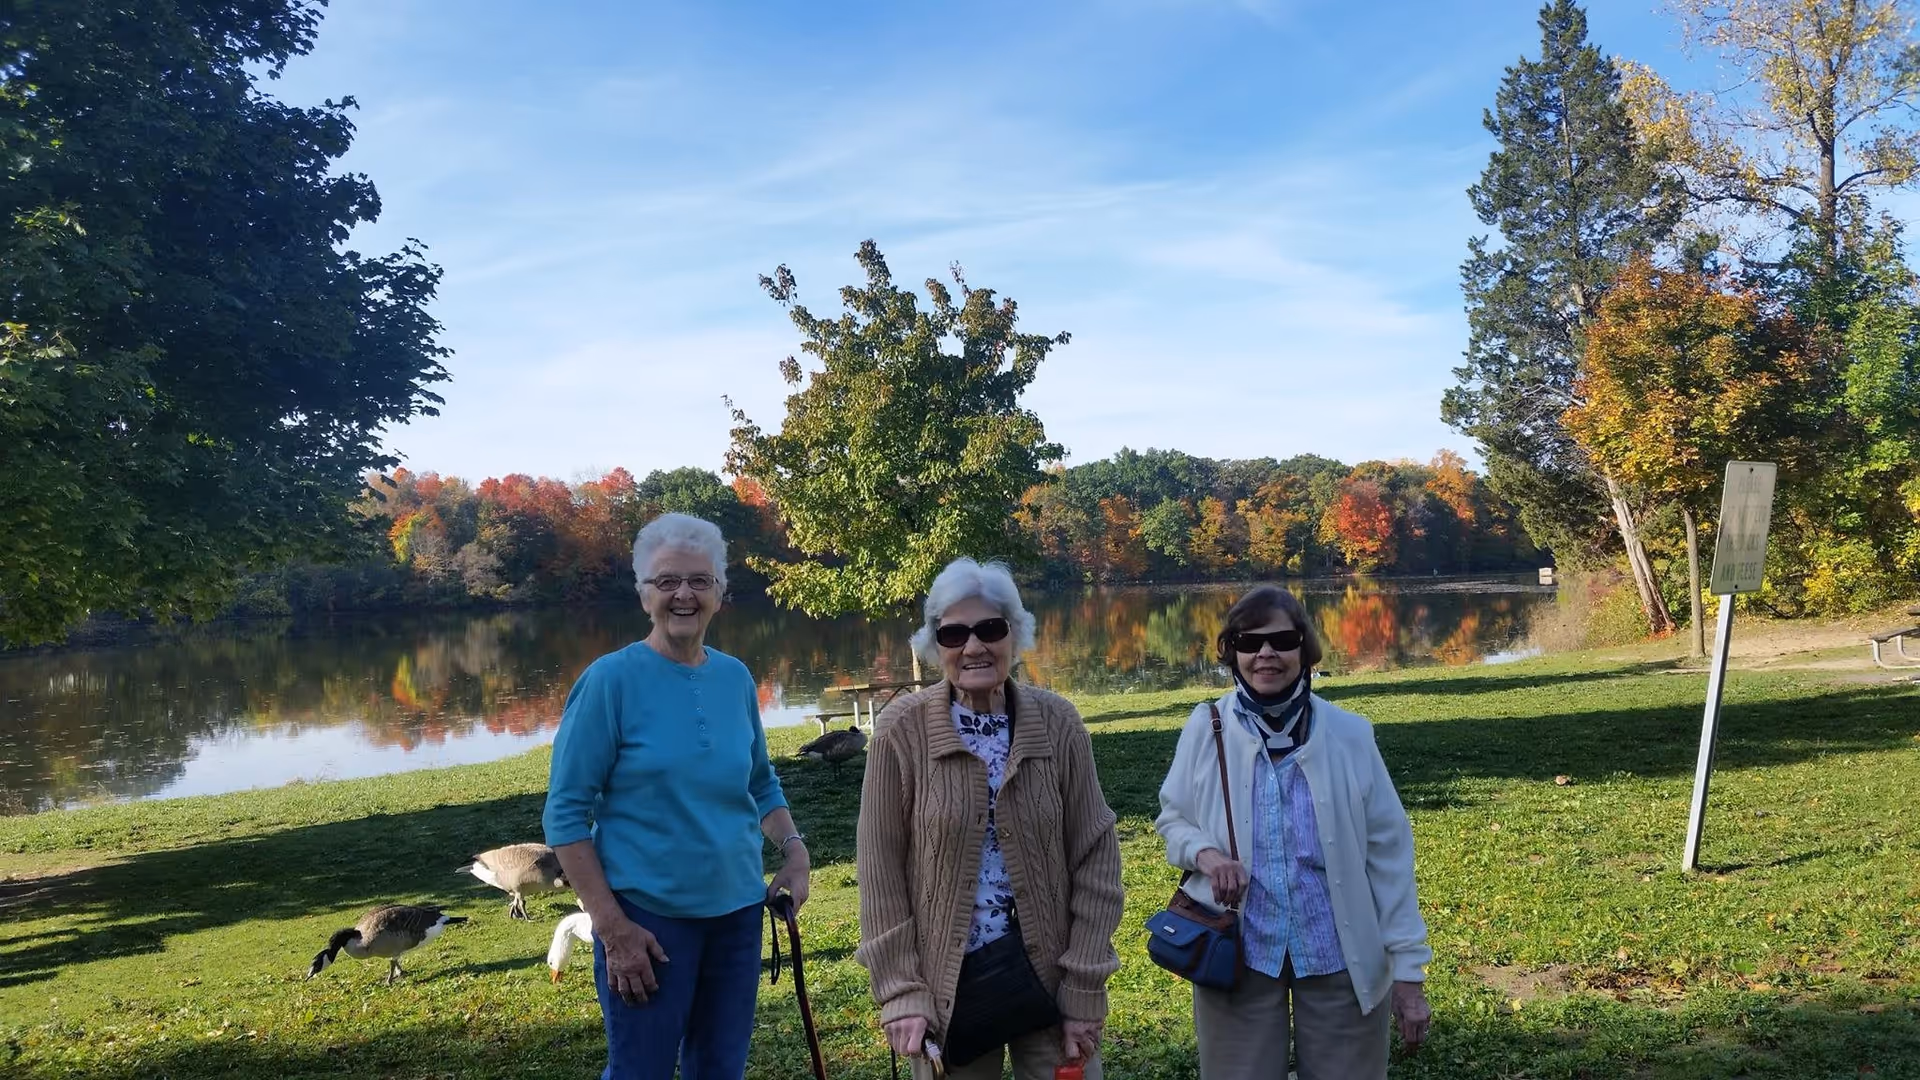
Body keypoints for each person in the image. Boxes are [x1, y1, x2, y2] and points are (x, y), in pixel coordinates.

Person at [543, 513, 811, 1080]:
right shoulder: (608, 682)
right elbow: (564, 814)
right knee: (640, 1071)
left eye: (699, 580)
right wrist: (613, 929)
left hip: (737, 915)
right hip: (647, 922)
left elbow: (760, 781)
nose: (683, 595)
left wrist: (793, 850)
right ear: (644, 596)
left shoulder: (736, 677)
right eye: (667, 582)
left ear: (720, 593)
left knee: (720, 1069)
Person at [856, 558, 1125, 1080]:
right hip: (944, 995)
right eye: (954, 633)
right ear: (937, 645)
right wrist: (901, 991)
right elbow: (879, 869)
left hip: (1053, 983)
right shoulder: (900, 731)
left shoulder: (1058, 722)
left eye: (990, 629)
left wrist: (1085, 987)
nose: (973, 646)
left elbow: (1096, 855)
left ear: (1014, 634)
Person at [1154, 585, 1432, 1080]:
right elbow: (1173, 818)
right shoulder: (1207, 726)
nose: (1265, 653)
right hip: (1239, 952)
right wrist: (1207, 855)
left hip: (1338, 955)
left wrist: (1409, 973)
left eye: (1281, 640)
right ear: (1231, 652)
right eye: (1248, 641)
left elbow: (1389, 855)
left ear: (1304, 648)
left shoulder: (1350, 735)